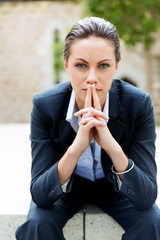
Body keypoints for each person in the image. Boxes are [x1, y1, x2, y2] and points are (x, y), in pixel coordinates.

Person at [16, 16, 160, 240]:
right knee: (37, 224)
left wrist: (111, 146)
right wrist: (76, 148)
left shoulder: (138, 104)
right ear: (66, 65)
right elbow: (41, 195)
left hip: (115, 185)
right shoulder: (45, 105)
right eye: (81, 65)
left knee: (153, 223)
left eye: (103, 66)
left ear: (116, 67)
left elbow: (146, 196)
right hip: (68, 184)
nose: (92, 78)